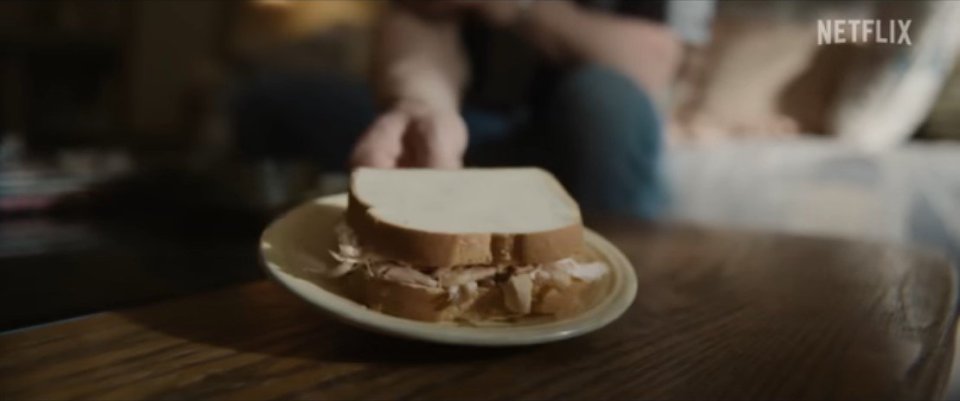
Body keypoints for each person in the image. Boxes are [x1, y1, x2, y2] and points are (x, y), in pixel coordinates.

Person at [235, 0, 715, 218]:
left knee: (606, 99)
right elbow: (418, 18)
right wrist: (421, 103)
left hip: (581, 138)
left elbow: (650, 62)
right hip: (471, 128)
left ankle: (622, 277)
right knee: (273, 101)